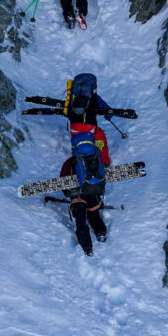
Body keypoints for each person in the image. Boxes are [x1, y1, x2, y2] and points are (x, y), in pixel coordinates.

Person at [61, 124, 110, 255]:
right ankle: (101, 233)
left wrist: (69, 195)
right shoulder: (95, 158)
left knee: (81, 221)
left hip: (77, 198)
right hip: (93, 194)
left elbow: (63, 182)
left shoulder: (70, 163)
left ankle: (87, 248)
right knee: (94, 215)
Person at [22, 72, 137, 126]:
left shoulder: (74, 92)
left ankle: (29, 103)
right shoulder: (93, 96)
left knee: (60, 108)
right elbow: (104, 107)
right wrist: (109, 115)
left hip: (72, 111)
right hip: (87, 118)